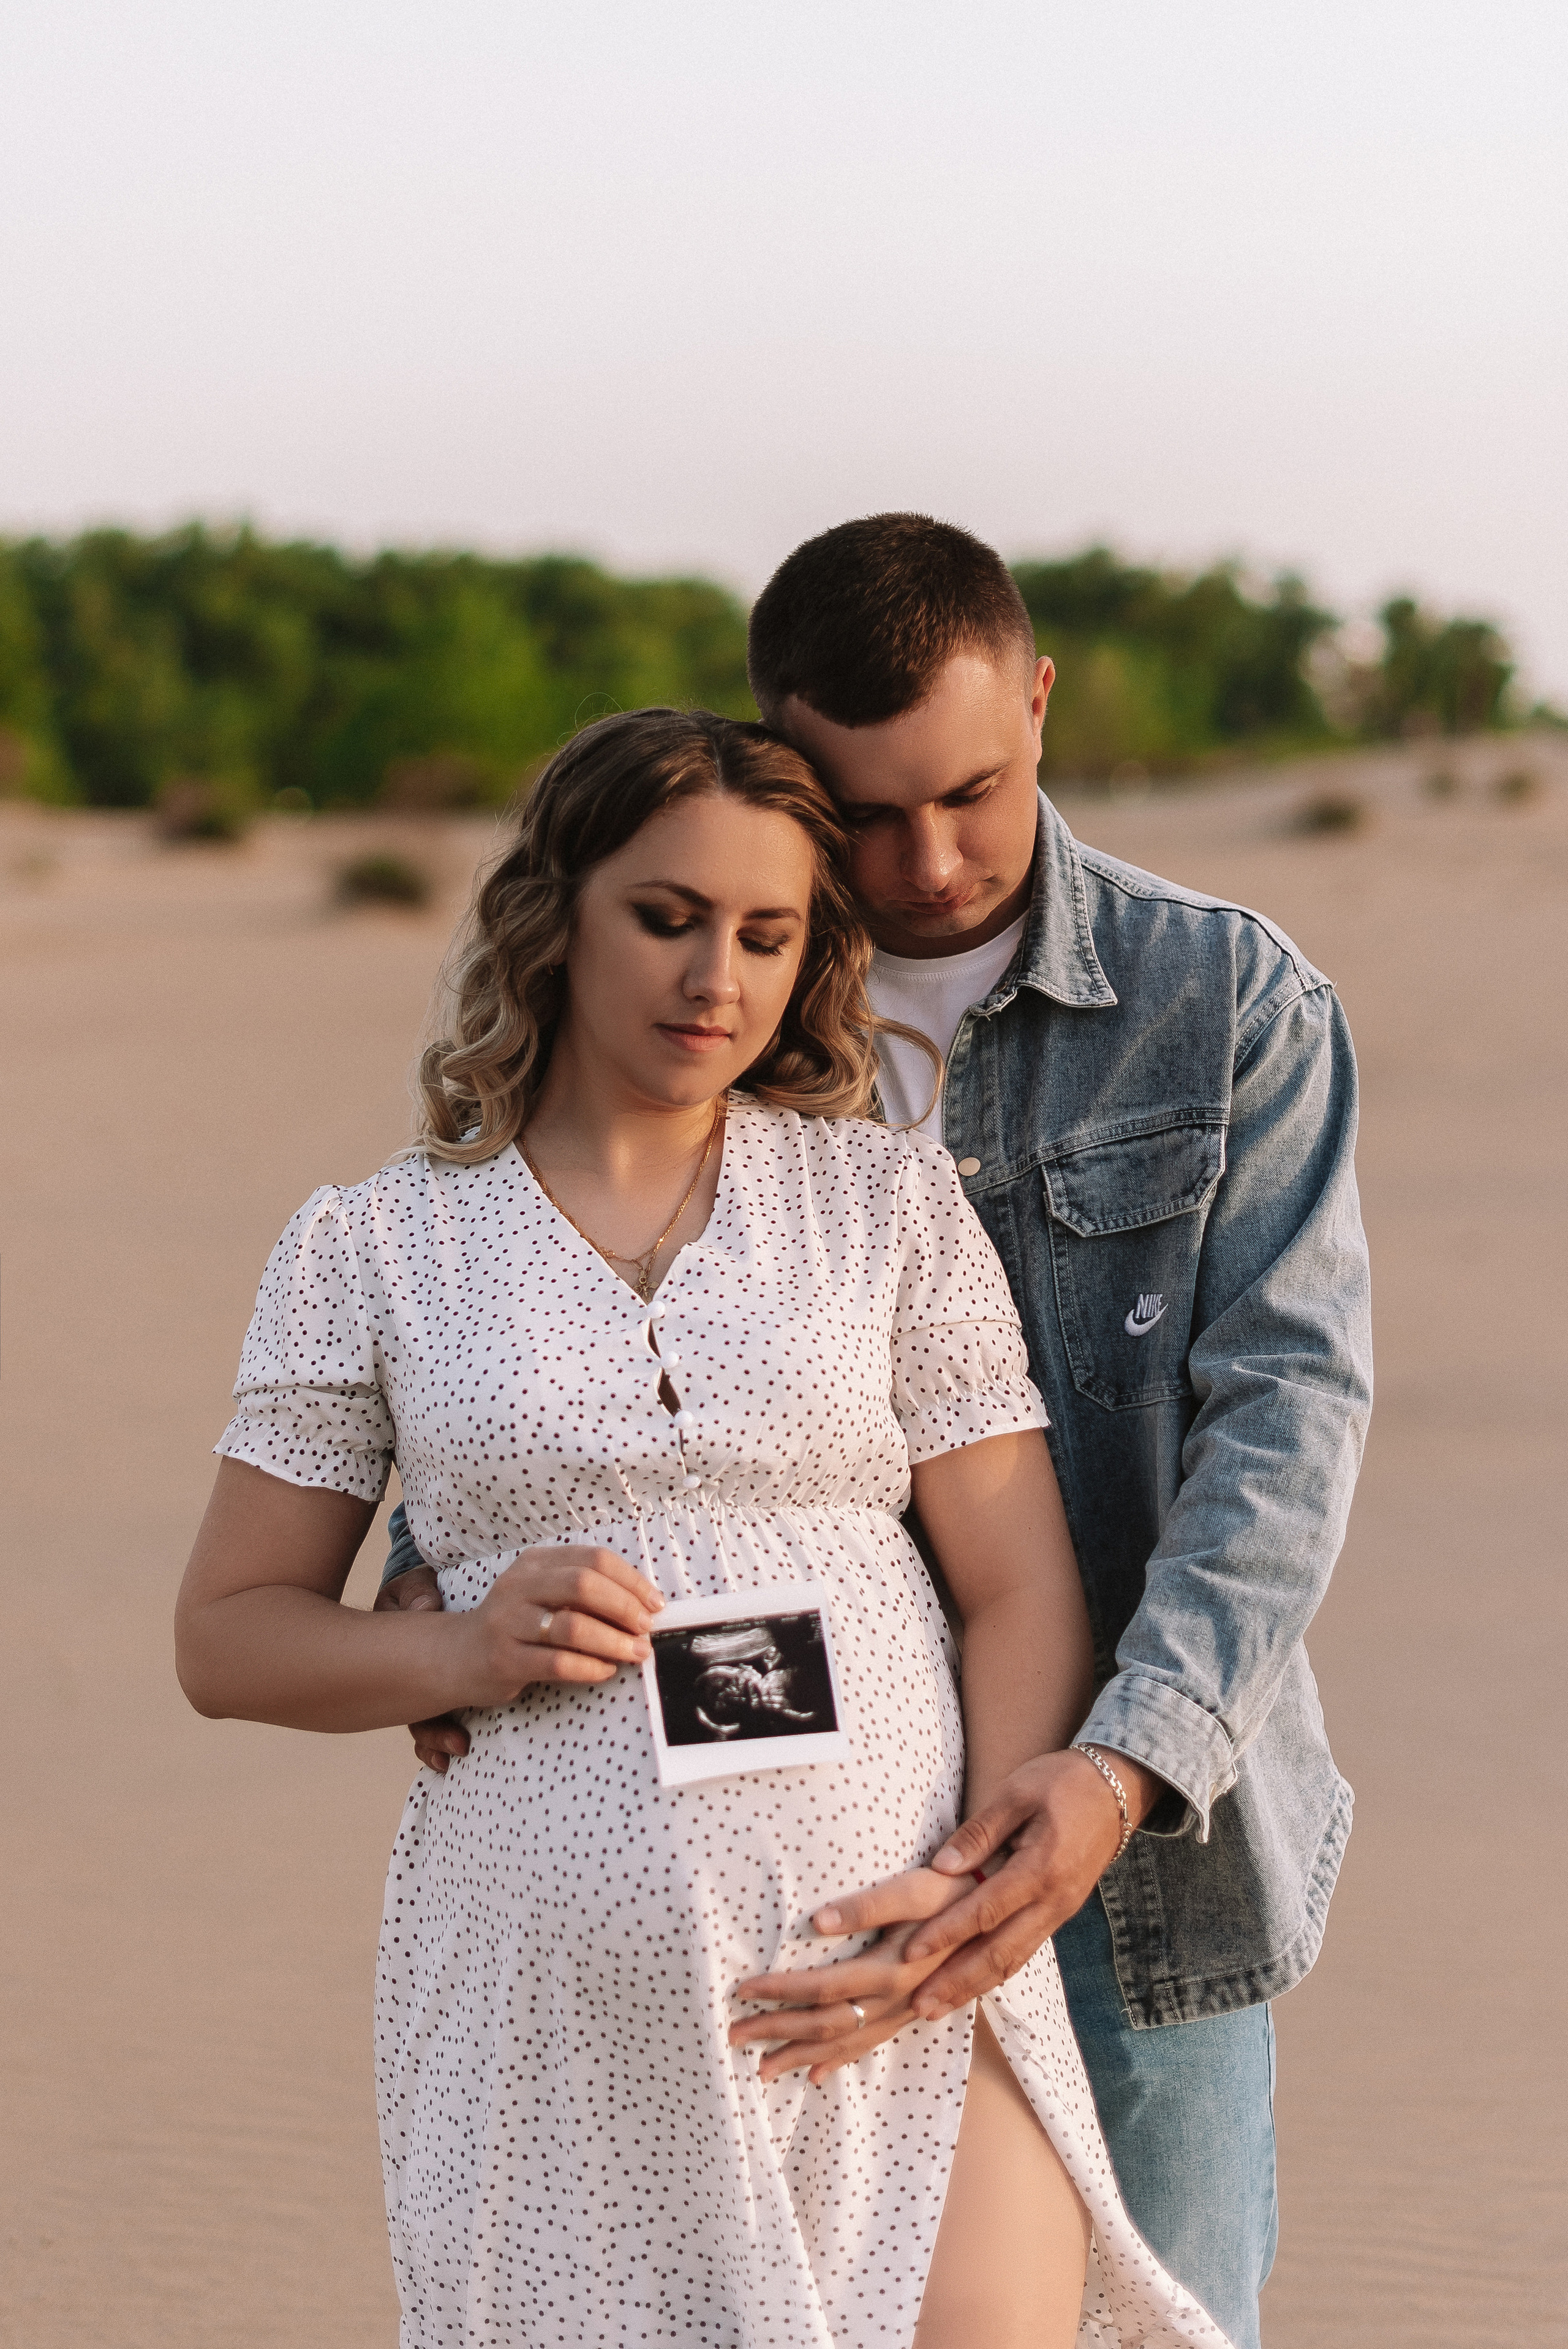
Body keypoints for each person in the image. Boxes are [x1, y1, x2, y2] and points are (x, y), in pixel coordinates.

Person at [382, 518, 1373, 2349]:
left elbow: (1286, 1430)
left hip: (1127, 1840)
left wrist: (1113, 1773)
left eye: (973, 793)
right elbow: (541, 1292)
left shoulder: (1225, 1002)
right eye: (868, 814)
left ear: (1042, 702)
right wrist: (440, 1563)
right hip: (758, 1865)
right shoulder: (712, 977)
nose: (927, 863)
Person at [175, 709, 1233, 2349]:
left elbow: (1020, 1584)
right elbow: (228, 1634)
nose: (713, 979)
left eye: (764, 934)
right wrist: (456, 1650)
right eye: (665, 918)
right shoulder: (371, 1250)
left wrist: (960, 1904)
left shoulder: (884, 1203)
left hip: (896, 1971)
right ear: (556, 916)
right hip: (559, 2014)